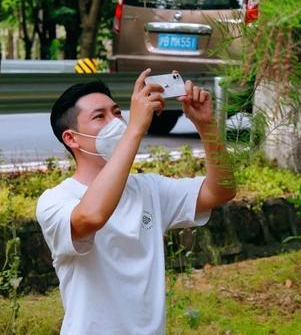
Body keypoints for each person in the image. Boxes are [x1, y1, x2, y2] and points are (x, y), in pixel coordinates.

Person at [36, 68, 236, 334]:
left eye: (118, 112)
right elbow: (92, 216)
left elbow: (221, 191)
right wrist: (135, 129)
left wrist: (207, 126)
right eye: (100, 116)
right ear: (72, 138)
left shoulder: (149, 188)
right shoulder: (55, 200)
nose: (115, 122)